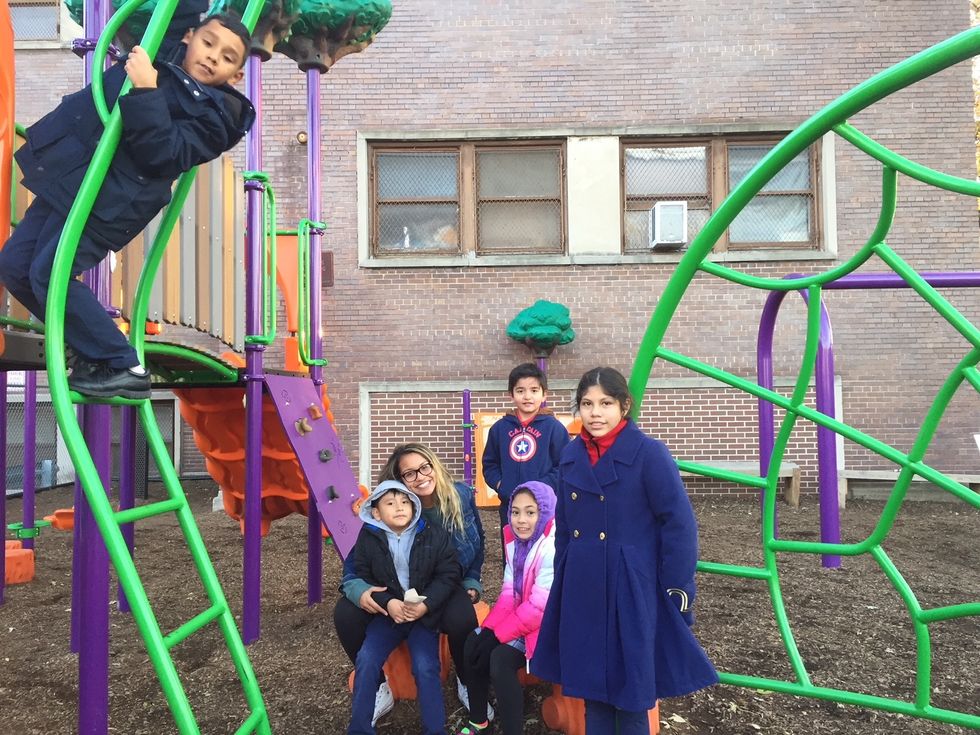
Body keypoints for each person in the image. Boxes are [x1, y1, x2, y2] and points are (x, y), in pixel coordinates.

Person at [0, 13, 254, 400]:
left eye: (227, 57)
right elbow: (179, 10)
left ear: (236, 76)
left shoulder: (217, 117)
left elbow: (163, 155)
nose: (212, 56)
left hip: (111, 200)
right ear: (189, 37)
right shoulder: (161, 51)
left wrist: (147, 90)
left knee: (50, 271)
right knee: (14, 265)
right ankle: (88, 343)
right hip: (73, 175)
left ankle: (122, 363)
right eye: (208, 42)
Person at [531, 367, 718, 734]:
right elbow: (565, 528)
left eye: (605, 403)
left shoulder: (649, 454)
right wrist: (566, 574)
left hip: (632, 589)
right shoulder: (571, 456)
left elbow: (679, 526)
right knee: (593, 694)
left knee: (631, 694)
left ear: (624, 406)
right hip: (583, 587)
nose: (595, 413)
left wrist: (676, 588)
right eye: (587, 404)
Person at [335, 443, 490, 725]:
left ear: (434, 465)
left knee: (461, 618)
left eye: (424, 467)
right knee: (346, 613)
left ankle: (467, 680)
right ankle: (378, 685)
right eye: (409, 474)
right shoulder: (389, 515)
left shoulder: (461, 496)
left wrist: (472, 579)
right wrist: (360, 591)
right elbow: (356, 564)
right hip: (397, 592)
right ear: (399, 482)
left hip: (446, 583)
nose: (420, 477)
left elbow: (477, 543)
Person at [347, 479, 460, 735]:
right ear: (376, 513)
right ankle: (359, 728)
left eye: (405, 502)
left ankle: (435, 730)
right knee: (367, 659)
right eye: (390, 503)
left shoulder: (431, 533)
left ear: (414, 506)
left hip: (422, 615)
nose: (399, 507)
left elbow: (448, 573)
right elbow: (362, 575)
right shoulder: (368, 537)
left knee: (425, 666)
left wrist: (427, 605)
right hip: (388, 616)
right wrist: (388, 603)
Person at [456, 481, 557, 735]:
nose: (521, 520)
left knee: (500, 658)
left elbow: (538, 609)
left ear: (545, 513)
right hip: (524, 621)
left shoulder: (551, 547)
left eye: (530, 512)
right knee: (473, 641)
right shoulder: (515, 543)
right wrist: (488, 632)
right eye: (515, 512)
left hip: (551, 630)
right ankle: (479, 721)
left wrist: (497, 637)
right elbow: (509, 595)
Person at [483, 363, 569, 562]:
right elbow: (490, 464)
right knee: (512, 556)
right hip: (510, 506)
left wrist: (540, 490)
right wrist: (501, 485)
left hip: (544, 507)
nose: (527, 396)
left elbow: (563, 467)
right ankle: (512, 583)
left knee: (543, 555)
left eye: (534, 390)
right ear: (511, 395)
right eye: (520, 391)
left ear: (544, 394)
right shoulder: (499, 429)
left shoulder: (554, 428)